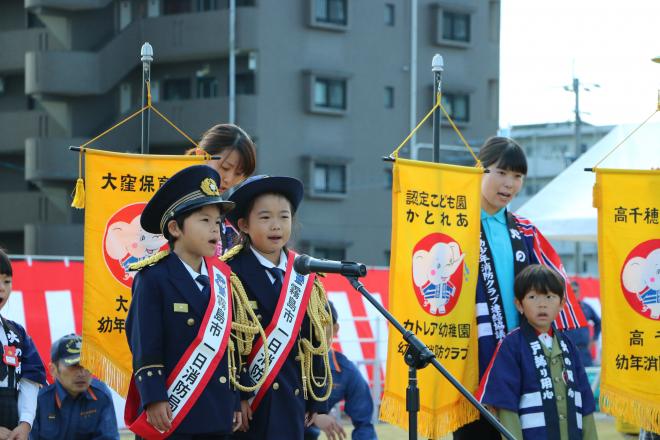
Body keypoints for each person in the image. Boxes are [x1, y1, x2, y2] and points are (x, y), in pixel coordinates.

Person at [455, 137, 586, 439]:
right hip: (471, 352)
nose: (509, 184)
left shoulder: (525, 231)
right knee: (475, 432)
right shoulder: (456, 224)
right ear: (480, 170)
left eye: (517, 176)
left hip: (521, 355)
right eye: (500, 173)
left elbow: (553, 287)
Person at [124, 165, 262, 439]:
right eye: (204, 220)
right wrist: (154, 397)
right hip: (173, 410)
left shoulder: (223, 278)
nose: (215, 229)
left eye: (218, 221)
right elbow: (145, 343)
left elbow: (230, 346)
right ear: (175, 228)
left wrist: (235, 398)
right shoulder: (153, 277)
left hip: (218, 410)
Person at [222, 175, 333, 440]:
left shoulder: (305, 274)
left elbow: (316, 343)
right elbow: (226, 344)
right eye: (265, 217)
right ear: (243, 225)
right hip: (249, 405)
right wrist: (238, 396)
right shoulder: (228, 273)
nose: (276, 226)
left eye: (284, 217)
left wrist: (319, 403)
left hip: (292, 401)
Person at [477, 264, 597, 440]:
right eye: (533, 297)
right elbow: (505, 404)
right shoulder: (512, 345)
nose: (542, 305)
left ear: (562, 303)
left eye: (549, 297)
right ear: (519, 304)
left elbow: (585, 402)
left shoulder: (568, 345)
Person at [305, 301, 377, 440]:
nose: (316, 330)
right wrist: (314, 416)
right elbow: (277, 410)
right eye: (310, 323)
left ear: (335, 329)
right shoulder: (288, 364)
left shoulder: (346, 371)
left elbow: (364, 423)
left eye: (323, 323)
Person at [30, 334, 119, 440]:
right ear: (53, 370)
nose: (82, 373)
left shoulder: (100, 395)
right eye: (74, 365)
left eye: (87, 364)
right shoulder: (38, 399)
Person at [187, 123, 257, 255]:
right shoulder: (174, 205)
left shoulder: (232, 222)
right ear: (200, 155)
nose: (229, 179)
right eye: (225, 167)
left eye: (238, 174)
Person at [0, 249, 47, 440]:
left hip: (13, 427)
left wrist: (25, 423)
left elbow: (30, 379)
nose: (2, 288)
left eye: (7, 281)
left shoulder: (16, 333)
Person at [564, 281, 601, 367]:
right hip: (568, 351)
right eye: (571, 291)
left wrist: (594, 339)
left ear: (579, 292)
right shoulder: (563, 309)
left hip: (584, 351)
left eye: (575, 291)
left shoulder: (586, 307)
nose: (573, 293)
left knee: (588, 375)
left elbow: (598, 322)